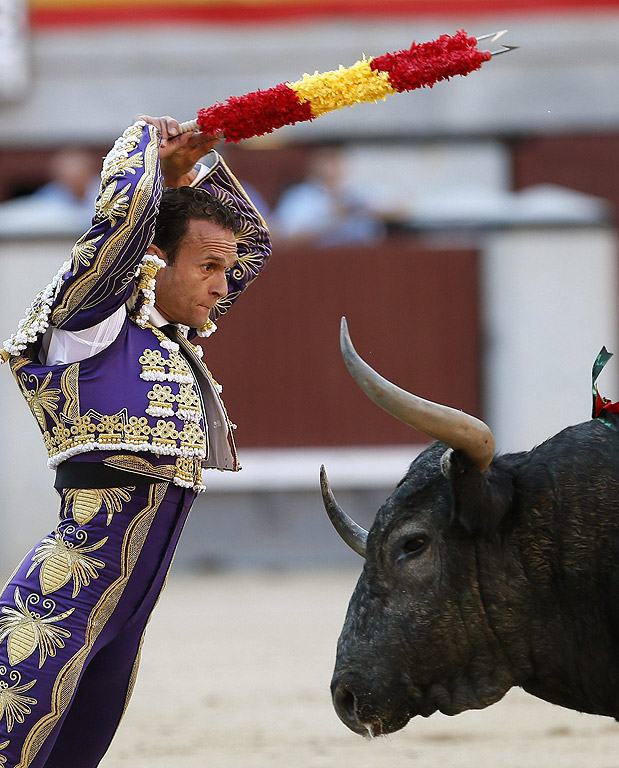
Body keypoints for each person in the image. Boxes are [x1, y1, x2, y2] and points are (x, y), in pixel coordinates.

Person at [0, 114, 270, 767]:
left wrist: (190, 172)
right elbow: (119, 226)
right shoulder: (83, 325)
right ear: (152, 262)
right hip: (57, 608)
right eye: (208, 266)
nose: (223, 284)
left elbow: (251, 242)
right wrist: (147, 148)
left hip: (122, 622)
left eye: (224, 273)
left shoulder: (167, 331)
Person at [273, 145, 384, 248]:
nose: (332, 167)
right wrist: (332, 220)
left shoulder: (357, 193)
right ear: (314, 163)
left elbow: (393, 211)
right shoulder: (300, 197)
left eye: (335, 160)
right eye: (326, 160)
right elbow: (282, 239)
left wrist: (364, 211)